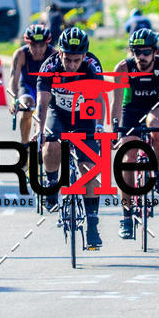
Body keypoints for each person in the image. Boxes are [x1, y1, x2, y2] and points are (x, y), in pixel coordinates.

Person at [36, 27, 105, 249]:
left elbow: (99, 98)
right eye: (68, 59)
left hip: (85, 114)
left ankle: (92, 224)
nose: (72, 64)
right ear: (60, 53)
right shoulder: (50, 66)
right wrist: (40, 129)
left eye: (77, 60)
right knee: (51, 145)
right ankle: (52, 181)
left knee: (89, 168)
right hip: (59, 113)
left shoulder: (92, 66)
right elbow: (42, 102)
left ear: (84, 56)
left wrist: (100, 127)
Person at [111, 28, 159, 239]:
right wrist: (115, 130)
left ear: (155, 51)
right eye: (136, 52)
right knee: (127, 157)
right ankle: (126, 216)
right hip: (131, 108)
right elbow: (116, 103)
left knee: (158, 126)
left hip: (155, 105)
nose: (141, 57)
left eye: (145, 52)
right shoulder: (123, 68)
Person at [8, 24, 55, 147]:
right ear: (28, 44)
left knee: (43, 112)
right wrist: (14, 100)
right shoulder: (20, 54)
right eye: (33, 46)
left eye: (41, 46)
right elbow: (13, 80)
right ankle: (24, 144)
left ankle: (38, 142)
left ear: (47, 44)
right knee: (26, 107)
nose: (38, 50)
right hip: (28, 86)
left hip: (46, 89)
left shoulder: (54, 55)